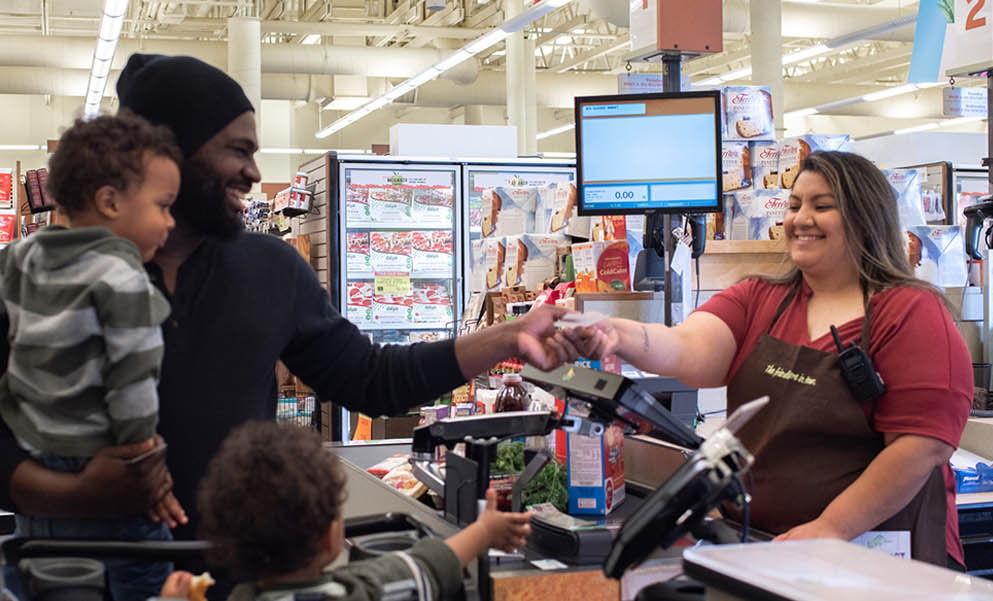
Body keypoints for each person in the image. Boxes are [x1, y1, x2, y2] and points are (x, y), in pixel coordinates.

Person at [0, 54, 570, 597]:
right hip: (71, 574)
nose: (253, 172)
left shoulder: (268, 268)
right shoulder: (35, 277)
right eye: (238, 150)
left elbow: (372, 379)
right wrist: (80, 495)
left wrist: (506, 337)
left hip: (242, 586)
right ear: (171, 150)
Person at [560, 151, 971, 569]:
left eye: (822, 206)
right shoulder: (760, 298)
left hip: (878, 561)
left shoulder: (909, 311)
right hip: (769, 551)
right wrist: (614, 332)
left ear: (866, 219)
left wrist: (831, 527)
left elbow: (920, 448)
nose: (801, 218)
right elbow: (685, 347)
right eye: (794, 206)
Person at [0, 113, 187, 601]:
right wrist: (147, 468)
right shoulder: (124, 280)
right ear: (109, 201)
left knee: (44, 577)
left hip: (37, 466)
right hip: (111, 475)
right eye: (163, 206)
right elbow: (133, 383)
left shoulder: (19, 258)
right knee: (148, 576)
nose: (170, 222)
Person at [158, 421, 531, 601]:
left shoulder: (238, 597)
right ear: (328, 539)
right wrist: (485, 531)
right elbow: (429, 563)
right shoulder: (360, 593)